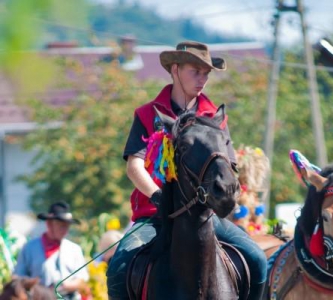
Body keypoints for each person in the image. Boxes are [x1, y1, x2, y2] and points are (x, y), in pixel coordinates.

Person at [106, 41, 268, 299]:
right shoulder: (147, 114)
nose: (203, 79)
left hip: (206, 216)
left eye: (206, 73)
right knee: (118, 268)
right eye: (196, 71)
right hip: (154, 215)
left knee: (258, 261)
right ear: (175, 69)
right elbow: (134, 166)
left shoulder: (214, 116)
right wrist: (158, 196)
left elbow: (228, 164)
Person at [14, 201, 89, 300]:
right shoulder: (29, 248)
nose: (65, 230)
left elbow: (82, 278)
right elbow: (17, 277)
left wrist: (68, 285)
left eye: (67, 226)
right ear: (49, 224)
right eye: (62, 226)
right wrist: (34, 284)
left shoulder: (74, 249)